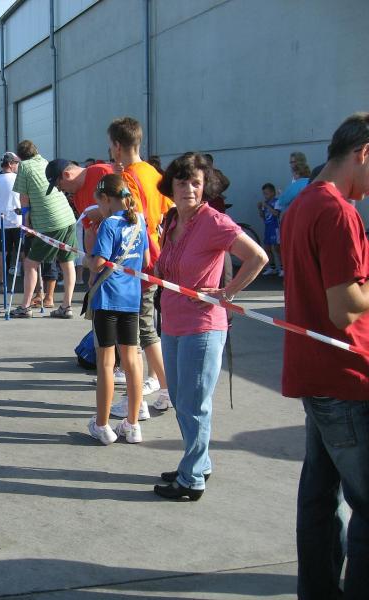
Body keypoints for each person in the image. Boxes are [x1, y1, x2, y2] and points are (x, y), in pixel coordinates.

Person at [281, 112, 369, 600]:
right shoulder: (338, 211)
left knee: (318, 495)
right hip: (346, 376)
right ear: (364, 153)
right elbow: (344, 307)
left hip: (316, 373)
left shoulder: (301, 204)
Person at [152, 152, 266, 500]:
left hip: (203, 327)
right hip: (172, 323)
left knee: (194, 403)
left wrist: (227, 292)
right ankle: (197, 462)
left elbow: (257, 257)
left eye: (196, 183)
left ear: (205, 187)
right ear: (171, 185)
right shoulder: (172, 220)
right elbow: (166, 269)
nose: (189, 189)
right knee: (180, 399)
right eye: (182, 182)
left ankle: (192, 480)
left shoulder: (214, 221)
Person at [107, 117, 173, 416]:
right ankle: (163, 389)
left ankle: (139, 400)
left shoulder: (128, 179)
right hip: (154, 254)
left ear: (117, 146)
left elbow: (130, 219)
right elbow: (167, 212)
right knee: (145, 327)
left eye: (111, 146)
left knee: (134, 331)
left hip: (136, 262)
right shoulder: (153, 173)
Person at [86, 174, 149, 445]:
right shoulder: (140, 221)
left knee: (106, 363)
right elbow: (146, 259)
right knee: (132, 360)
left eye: (99, 203)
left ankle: (102, 424)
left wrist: (88, 253)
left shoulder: (109, 224)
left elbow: (98, 263)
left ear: (106, 199)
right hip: (131, 298)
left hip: (108, 298)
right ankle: (133, 424)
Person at [9, 140, 77, 319]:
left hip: (49, 221)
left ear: (20, 156)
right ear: (36, 151)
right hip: (67, 217)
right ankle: (66, 306)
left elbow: (24, 199)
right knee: (67, 262)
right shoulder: (45, 161)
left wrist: (26, 222)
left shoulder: (24, 167)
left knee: (31, 263)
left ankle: (25, 306)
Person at [0, 152, 21, 286]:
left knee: (1, 254)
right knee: (24, 253)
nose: (18, 165)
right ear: (10, 164)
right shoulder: (18, 178)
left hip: (1, 222)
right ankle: (29, 283)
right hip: (18, 221)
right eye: (16, 163)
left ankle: (3, 284)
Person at [257, 183, 282, 276]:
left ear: (273, 193)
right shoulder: (265, 203)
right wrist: (260, 209)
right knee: (267, 248)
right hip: (268, 227)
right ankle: (272, 267)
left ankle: (282, 268)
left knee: (277, 248)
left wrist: (267, 206)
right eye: (264, 193)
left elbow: (276, 213)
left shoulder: (277, 202)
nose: (265, 196)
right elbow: (263, 216)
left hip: (275, 228)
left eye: (267, 193)